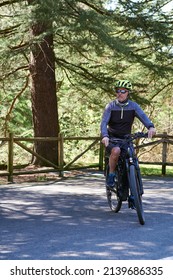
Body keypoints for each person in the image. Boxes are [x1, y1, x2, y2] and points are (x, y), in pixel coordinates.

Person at [100, 79, 156, 189]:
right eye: (118, 91)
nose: (119, 93)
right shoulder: (110, 106)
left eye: (123, 91)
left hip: (126, 138)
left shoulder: (133, 106)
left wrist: (151, 127)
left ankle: (133, 186)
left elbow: (143, 117)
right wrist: (105, 136)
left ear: (128, 93)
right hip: (112, 138)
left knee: (131, 157)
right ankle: (111, 174)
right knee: (116, 151)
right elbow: (104, 122)